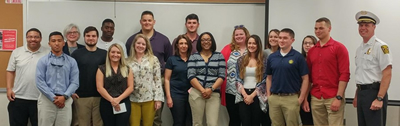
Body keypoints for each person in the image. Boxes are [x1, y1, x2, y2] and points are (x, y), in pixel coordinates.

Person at [125, 11, 172, 126]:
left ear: (154, 22)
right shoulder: (128, 57)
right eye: (144, 20)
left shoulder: (162, 42)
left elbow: (158, 78)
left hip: (151, 94)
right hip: (133, 97)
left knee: (154, 121)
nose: (147, 23)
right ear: (140, 22)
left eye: (149, 20)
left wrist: (158, 98)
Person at [306, 17, 350, 126]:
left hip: (333, 96)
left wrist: (339, 97)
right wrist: (305, 99)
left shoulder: (339, 48)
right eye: (315, 28)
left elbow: (344, 74)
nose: (317, 31)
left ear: (329, 28)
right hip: (316, 97)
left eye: (321, 28)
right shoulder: (312, 51)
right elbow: (309, 77)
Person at [353, 10, 392, 126]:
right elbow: (361, 74)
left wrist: (379, 98)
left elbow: (387, 74)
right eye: (361, 25)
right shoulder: (360, 49)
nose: (363, 28)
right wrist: (356, 95)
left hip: (374, 93)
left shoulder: (380, 46)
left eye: (367, 25)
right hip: (361, 94)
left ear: (374, 27)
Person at [6, 28, 50, 126]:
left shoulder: (48, 53)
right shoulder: (17, 52)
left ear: (41, 38)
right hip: (18, 98)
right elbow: (10, 71)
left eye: (36, 37)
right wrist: (9, 89)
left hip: (41, 98)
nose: (33, 39)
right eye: (30, 37)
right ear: (26, 38)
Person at [266, 28, 309, 126]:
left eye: (285, 38)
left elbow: (305, 79)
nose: (281, 40)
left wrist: (301, 98)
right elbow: (269, 77)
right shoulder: (272, 57)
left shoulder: (298, 57)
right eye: (280, 38)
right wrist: (269, 96)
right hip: (275, 98)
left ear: (292, 40)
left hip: (291, 98)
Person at [36, 31, 79, 126]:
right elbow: (40, 82)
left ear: (63, 43)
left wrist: (64, 96)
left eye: (59, 41)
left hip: (65, 100)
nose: (56, 43)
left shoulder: (71, 61)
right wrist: (53, 98)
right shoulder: (43, 61)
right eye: (53, 41)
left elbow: (75, 82)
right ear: (49, 43)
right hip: (47, 100)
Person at [187, 32, 226, 126]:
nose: (206, 42)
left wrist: (211, 89)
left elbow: (222, 76)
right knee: (197, 123)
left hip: (213, 94)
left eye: (208, 39)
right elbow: (191, 76)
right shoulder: (193, 56)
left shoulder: (219, 56)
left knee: (212, 123)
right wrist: (202, 90)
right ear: (200, 42)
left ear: (212, 41)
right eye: (203, 40)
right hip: (196, 93)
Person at [70, 26, 107, 126]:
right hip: (81, 97)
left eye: (93, 36)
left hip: (100, 96)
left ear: (97, 37)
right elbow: (69, 73)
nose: (91, 38)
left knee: (99, 124)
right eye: (88, 36)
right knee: (82, 124)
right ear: (84, 37)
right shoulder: (76, 54)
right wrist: (71, 91)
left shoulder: (104, 54)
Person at [127, 34, 164, 126]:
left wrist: (158, 99)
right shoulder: (127, 61)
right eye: (138, 43)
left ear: (147, 46)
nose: (140, 46)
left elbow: (157, 80)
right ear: (134, 44)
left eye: (143, 44)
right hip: (133, 99)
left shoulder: (153, 59)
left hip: (149, 98)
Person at [96, 43, 134, 126]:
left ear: (121, 54)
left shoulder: (127, 69)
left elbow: (130, 87)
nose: (115, 55)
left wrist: (118, 100)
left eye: (118, 52)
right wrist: (112, 100)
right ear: (109, 53)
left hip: (123, 102)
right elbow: (100, 88)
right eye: (113, 52)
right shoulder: (101, 69)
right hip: (107, 103)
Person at [220, 25, 250, 126]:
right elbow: (221, 66)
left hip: (248, 90)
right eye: (236, 34)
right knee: (234, 119)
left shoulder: (251, 48)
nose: (239, 36)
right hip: (231, 90)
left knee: (247, 119)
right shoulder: (228, 49)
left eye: (241, 34)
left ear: (246, 35)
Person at [236, 35, 268, 126]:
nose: (251, 45)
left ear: (258, 45)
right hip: (243, 95)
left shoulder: (264, 60)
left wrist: (252, 96)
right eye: (249, 43)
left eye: (254, 43)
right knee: (245, 122)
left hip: (257, 96)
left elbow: (264, 80)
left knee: (256, 123)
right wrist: (245, 95)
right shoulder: (241, 60)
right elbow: (237, 79)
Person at [165, 35, 193, 126]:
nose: (183, 46)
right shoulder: (172, 60)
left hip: (191, 95)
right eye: (181, 43)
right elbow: (166, 79)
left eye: (185, 43)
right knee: (179, 122)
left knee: (190, 121)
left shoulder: (193, 59)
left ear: (189, 45)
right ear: (177, 45)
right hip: (176, 95)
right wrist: (168, 97)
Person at [299, 35, 317, 126]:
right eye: (305, 43)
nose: (307, 45)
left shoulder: (317, 60)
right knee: (305, 120)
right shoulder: (299, 59)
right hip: (300, 93)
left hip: (313, 94)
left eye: (310, 43)